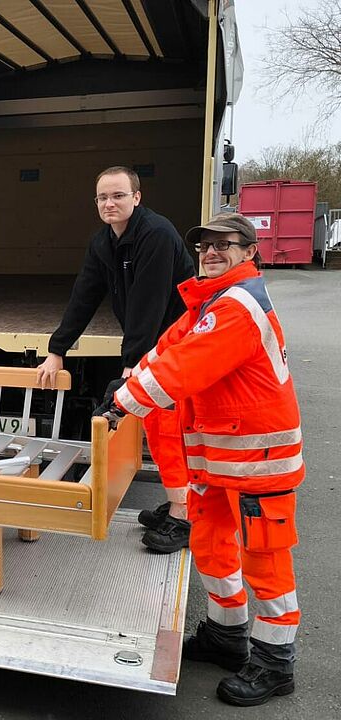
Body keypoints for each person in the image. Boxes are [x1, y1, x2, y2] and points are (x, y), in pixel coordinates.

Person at [96, 213, 303, 706]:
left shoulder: (237, 307)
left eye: (224, 245)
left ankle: (276, 663)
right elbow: (166, 352)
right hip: (220, 461)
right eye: (205, 246)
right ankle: (227, 635)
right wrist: (125, 383)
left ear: (249, 252)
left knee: (264, 562)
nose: (211, 253)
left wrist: (124, 403)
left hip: (260, 463)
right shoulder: (208, 303)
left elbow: (184, 369)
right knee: (212, 546)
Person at [35, 166, 196, 553]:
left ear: (137, 197)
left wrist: (132, 365)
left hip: (176, 341)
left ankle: (184, 515)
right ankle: (181, 504)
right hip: (151, 346)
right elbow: (84, 296)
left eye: (118, 195)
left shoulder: (155, 235)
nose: (110, 203)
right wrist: (58, 349)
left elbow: (149, 303)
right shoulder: (104, 242)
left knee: (169, 426)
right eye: (103, 198)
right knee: (156, 426)